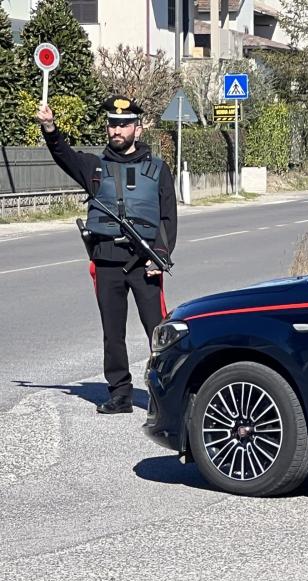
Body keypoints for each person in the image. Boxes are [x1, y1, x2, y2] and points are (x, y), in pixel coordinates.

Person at [36, 95, 177, 415]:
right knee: (113, 334)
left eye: (124, 124)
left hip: (144, 264)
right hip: (107, 261)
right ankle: (120, 394)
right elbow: (63, 155)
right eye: (113, 124)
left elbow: (168, 218)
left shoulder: (157, 168)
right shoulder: (93, 166)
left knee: (160, 333)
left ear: (137, 129)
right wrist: (49, 128)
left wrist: (159, 256)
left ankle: (167, 394)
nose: (117, 129)